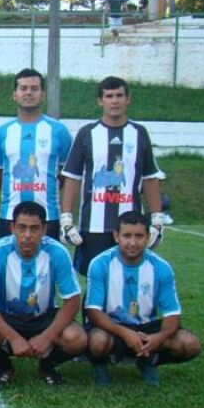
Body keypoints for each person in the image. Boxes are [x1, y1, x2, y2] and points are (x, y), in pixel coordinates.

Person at [0, 201, 86, 387]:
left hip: (43, 316)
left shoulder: (57, 252)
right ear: (12, 228)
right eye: (22, 228)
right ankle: (3, 366)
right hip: (7, 317)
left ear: (44, 229)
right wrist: (14, 338)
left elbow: (72, 301)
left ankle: (47, 365)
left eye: (34, 229)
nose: (27, 235)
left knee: (77, 338)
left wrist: (46, 337)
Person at [60, 76, 165, 276]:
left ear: (128, 99)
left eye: (119, 95)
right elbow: (72, 178)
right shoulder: (87, 133)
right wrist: (67, 219)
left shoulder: (139, 133)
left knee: (130, 277)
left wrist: (157, 220)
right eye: (109, 96)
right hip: (93, 226)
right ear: (100, 101)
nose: (114, 101)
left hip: (131, 227)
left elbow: (150, 178)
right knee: (94, 279)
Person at [86, 211, 202, 387]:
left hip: (147, 327)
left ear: (148, 237)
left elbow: (172, 314)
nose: (133, 242)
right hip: (113, 326)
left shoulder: (161, 267)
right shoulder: (100, 263)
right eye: (127, 236)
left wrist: (160, 337)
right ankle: (100, 364)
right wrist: (125, 333)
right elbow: (93, 311)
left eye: (139, 236)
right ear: (116, 236)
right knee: (97, 341)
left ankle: (149, 361)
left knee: (189, 344)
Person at [0, 68, 72, 241]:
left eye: (34, 89)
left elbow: (65, 173)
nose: (28, 93)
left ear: (42, 94)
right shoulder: (2, 133)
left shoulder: (59, 131)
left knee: (48, 266)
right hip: (10, 215)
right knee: (8, 266)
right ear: (15, 94)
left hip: (49, 216)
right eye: (23, 88)